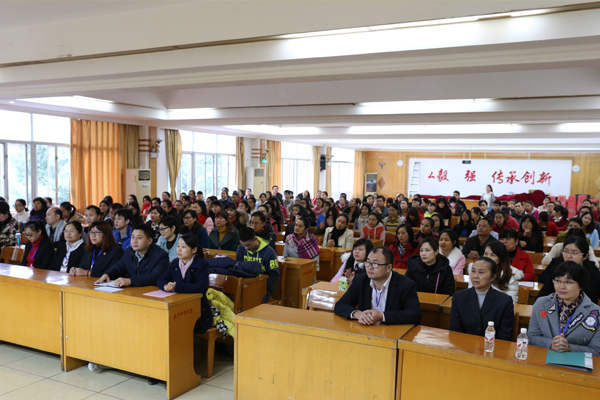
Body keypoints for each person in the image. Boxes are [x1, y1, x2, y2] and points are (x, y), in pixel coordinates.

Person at [334, 246, 422, 325]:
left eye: (375, 264)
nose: (370, 267)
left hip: (392, 333)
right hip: (365, 331)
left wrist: (382, 316)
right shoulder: (360, 280)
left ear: (388, 268)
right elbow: (340, 304)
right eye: (368, 262)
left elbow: (415, 314)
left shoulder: (406, 285)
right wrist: (357, 314)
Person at [529, 261, 600, 357]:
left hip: (576, 362)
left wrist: (569, 348)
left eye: (568, 282)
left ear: (581, 285)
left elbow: (597, 351)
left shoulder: (596, 312)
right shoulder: (541, 303)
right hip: (543, 358)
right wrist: (552, 344)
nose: (561, 287)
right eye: (558, 281)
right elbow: (532, 337)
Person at [157, 234, 212, 335]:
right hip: (179, 306)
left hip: (198, 311)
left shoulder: (202, 265)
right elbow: (161, 279)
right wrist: (166, 286)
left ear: (194, 250)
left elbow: (202, 287)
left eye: (183, 247)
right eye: (178, 246)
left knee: (175, 326)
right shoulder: (175, 263)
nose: (178, 250)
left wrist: (176, 287)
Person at [450, 257, 514, 341]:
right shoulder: (459, 297)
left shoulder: (504, 301)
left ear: (492, 277)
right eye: (473, 271)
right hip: (464, 345)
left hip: (492, 346)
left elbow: (505, 337)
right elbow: (455, 332)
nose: (475, 276)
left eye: (481, 272)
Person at [95, 224, 169, 287]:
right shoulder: (129, 251)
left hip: (152, 292)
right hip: (133, 291)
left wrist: (130, 281)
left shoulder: (160, 255)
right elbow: (118, 267)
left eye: (139, 238)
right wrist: (107, 274)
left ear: (149, 241)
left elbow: (155, 277)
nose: (134, 241)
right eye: (133, 237)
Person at [537, 236, 600, 304]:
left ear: (585, 256)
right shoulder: (556, 271)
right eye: (566, 251)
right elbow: (541, 298)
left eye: (574, 253)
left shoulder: (595, 276)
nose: (568, 256)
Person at [237, 227, 279, 303]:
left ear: (255, 239)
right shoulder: (240, 248)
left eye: (248, 245)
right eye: (243, 245)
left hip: (263, 287)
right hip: (244, 285)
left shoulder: (269, 252)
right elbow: (237, 269)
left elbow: (274, 276)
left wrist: (256, 283)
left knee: (251, 302)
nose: (246, 248)